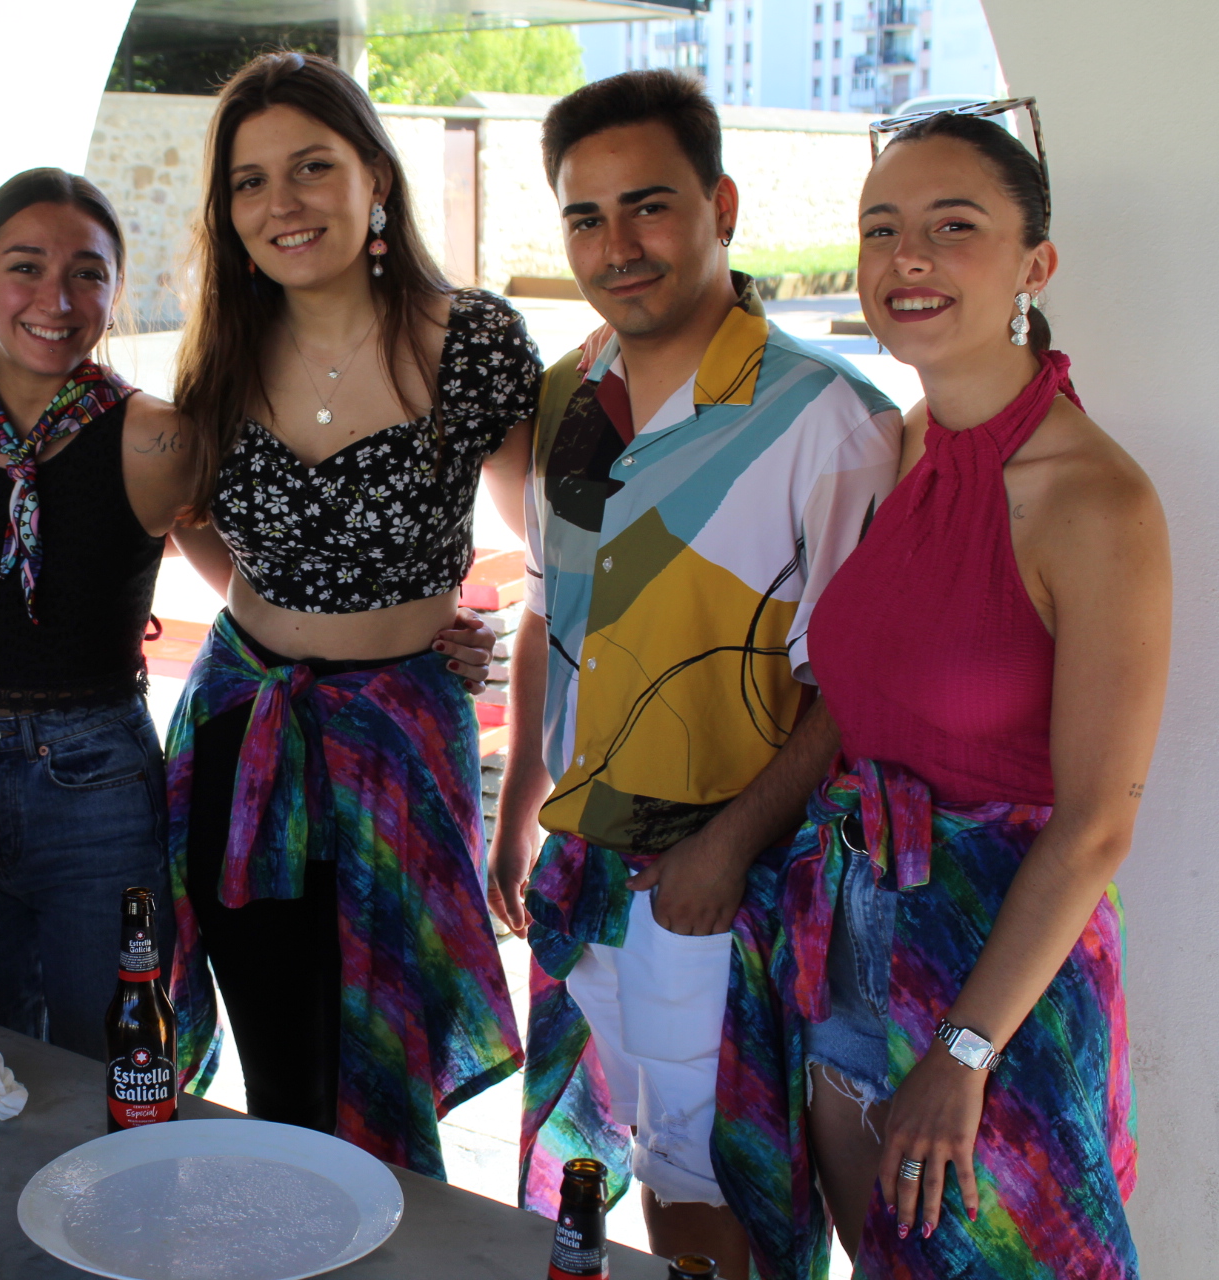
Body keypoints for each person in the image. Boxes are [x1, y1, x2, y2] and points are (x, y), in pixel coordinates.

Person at [0, 167, 494, 1061]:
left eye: (87, 273)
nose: (55, 298)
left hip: (98, 788)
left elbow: (275, 577)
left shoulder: (159, 440)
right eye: (25, 266)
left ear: (117, 292)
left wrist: (424, 634)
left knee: (115, 1062)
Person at [725, 106, 1165, 1279]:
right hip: (851, 926)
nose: (906, 257)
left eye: (952, 226)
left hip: (1002, 980)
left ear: (1035, 264)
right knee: (879, 1259)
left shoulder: (1095, 501)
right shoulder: (909, 439)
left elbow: (1098, 823)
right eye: (881, 228)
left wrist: (965, 1048)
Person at [486, 71, 902, 1276]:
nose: (616, 246)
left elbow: (854, 693)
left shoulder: (830, 419)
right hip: (590, 869)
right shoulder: (568, 396)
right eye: (585, 217)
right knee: (657, 1173)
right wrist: (518, 809)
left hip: (731, 886)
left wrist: (727, 845)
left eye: (649, 206)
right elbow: (546, 608)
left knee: (736, 1190)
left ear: (720, 205)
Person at [163, 51, 534, 1178]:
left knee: (387, 1061)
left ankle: (387, 1249)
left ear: (375, 174)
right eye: (250, 181)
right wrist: (287, 613)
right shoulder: (223, 347)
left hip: (399, 751)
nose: (283, 202)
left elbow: (559, 547)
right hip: (244, 736)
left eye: (312, 166)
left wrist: (470, 628)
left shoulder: (472, 342)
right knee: (282, 1073)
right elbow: (190, 518)